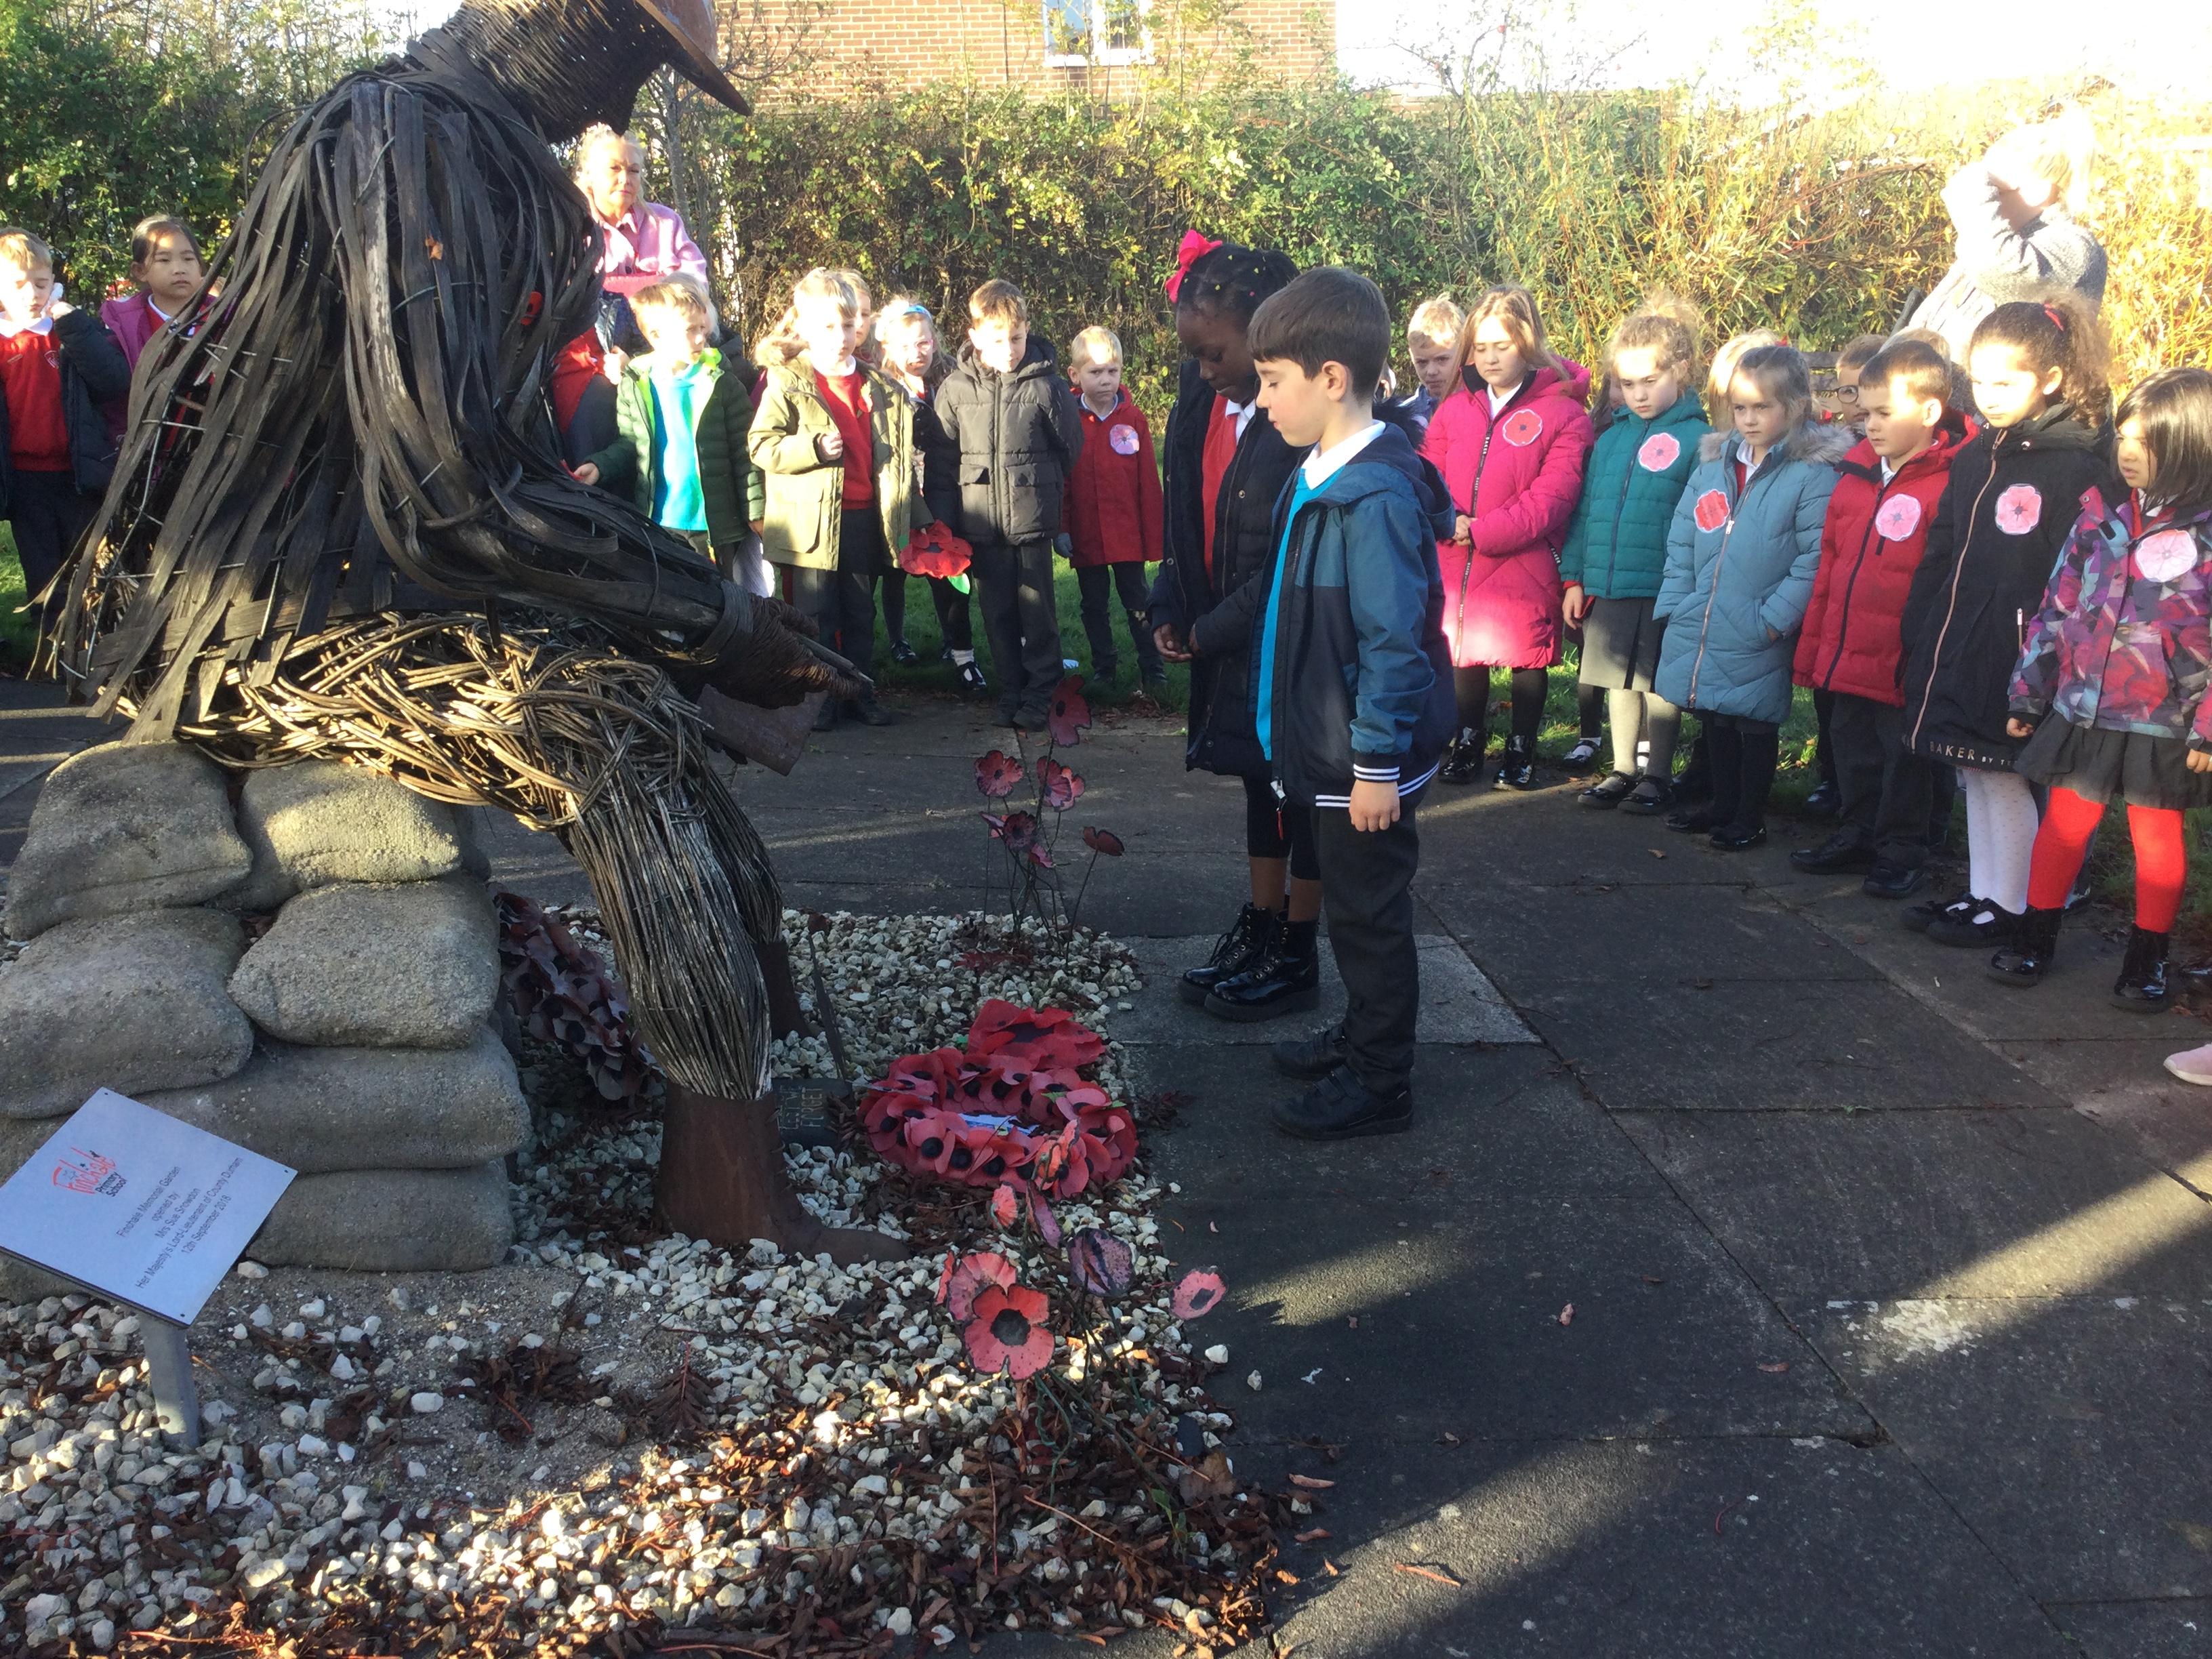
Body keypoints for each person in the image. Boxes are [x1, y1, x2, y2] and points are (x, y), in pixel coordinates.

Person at [1210, 266, 1456, 1137]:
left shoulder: (1373, 497)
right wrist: (1207, 631)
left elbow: (1395, 643)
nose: (1261, 399)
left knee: (1368, 918)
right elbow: (1281, 593)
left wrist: (1376, 765)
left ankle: (1382, 1081)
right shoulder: (1315, 472)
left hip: (1364, 758)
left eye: (1272, 381)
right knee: (1353, 913)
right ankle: (1360, 1037)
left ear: (1331, 378)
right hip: (1326, 748)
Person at [1990, 368, 2212, 1021]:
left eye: (2148, 441)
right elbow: (2058, 605)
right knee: (2065, 824)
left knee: (2157, 837)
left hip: (2166, 715)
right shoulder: (2101, 512)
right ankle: (2034, 935)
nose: (2128, 452)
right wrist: (2029, 692)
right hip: (2084, 704)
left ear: (2192, 443)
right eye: (2124, 436)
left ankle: (2147, 959)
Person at [1897, 296, 2114, 945]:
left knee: (2005, 771)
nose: (1988, 397)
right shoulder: (1975, 456)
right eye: (1979, 382)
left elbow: (2083, 577)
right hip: (1960, 637)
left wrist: (2047, 664)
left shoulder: (2077, 465)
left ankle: (2015, 904)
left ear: (2050, 379)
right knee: (1975, 770)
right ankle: (1984, 892)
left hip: (2021, 651)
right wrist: (1921, 626)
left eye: (2005, 384)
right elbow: (1943, 548)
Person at [1145, 237, 1311, 1020]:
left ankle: (1298, 946)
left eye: (1214, 355)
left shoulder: (1296, 417)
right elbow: (1184, 510)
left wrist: (1213, 629)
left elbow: (1284, 562)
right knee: (1256, 779)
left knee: (1296, 788)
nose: (1204, 370)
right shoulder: (1201, 396)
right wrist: (1170, 602)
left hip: (1276, 639)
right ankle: (1263, 919)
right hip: (1220, 623)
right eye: (1195, 357)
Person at [1789, 339, 1969, 895]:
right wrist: (1816, 646)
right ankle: (1857, 832)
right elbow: (1830, 565)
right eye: (1865, 412)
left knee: (1907, 759)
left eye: (1885, 413)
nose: (1870, 425)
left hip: (1904, 656)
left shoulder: (1953, 482)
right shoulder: (1855, 474)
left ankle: (1902, 849)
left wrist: (1929, 656)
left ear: (1931, 411)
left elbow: (1950, 580)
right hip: (1849, 650)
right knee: (1854, 749)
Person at [1656, 344, 1847, 849]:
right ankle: (1721, 804)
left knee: (1754, 718)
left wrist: (1774, 618)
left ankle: (1749, 816)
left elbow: (1815, 557)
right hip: (1706, 612)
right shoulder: (1715, 465)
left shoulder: (1811, 475)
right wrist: (1678, 600)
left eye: (1762, 407)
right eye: (1740, 407)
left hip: (1761, 621)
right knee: (1715, 714)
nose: (1749, 419)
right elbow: (1682, 536)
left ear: (1796, 406)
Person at [1423, 285, 1594, 789]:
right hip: (1458, 553)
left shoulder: (1564, 413)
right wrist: (1447, 518)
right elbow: (1429, 472)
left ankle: (1522, 748)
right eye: (1480, 347)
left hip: (1525, 555)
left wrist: (1483, 530)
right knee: (1464, 650)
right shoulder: (1454, 408)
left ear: (1528, 342)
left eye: (1502, 346)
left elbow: (1553, 495)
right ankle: (1468, 741)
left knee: (1527, 654)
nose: (1490, 358)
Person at [750, 266, 931, 729]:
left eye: (848, 326)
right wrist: (811, 448)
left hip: (865, 517)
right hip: (810, 524)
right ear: (805, 329)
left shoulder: (880, 386)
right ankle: (819, 700)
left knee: (859, 611)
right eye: (828, 327)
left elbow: (897, 461)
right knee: (815, 615)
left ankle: (860, 694)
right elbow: (761, 446)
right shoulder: (787, 381)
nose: (841, 337)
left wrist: (919, 516)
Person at [1563, 298, 1710, 815]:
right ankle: (1623, 767)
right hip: (1609, 582)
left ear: (1681, 371)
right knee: (1616, 678)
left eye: (1650, 380)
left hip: (1663, 583)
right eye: (1628, 383)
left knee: (1658, 683)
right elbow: (1586, 510)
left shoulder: (1699, 439)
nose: (1639, 393)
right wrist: (1574, 577)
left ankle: (1657, 774)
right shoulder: (1611, 439)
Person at [933, 279, 1084, 731]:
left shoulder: (1047, 386)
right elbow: (942, 460)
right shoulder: (955, 389)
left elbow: (1071, 447)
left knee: (1037, 613)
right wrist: (944, 523)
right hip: (980, 523)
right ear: (975, 336)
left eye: (1016, 338)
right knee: (997, 613)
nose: (1009, 349)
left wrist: (1040, 489)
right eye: (998, 340)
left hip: (1031, 521)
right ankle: (1012, 689)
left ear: (1027, 331)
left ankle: (1043, 692)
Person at [594, 274, 760, 595]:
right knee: (671, 598)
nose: (700, 339)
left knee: (719, 599)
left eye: (703, 330)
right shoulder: (636, 383)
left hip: (711, 525)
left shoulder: (723, 383)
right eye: (690, 330)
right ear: (656, 335)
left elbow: (745, 453)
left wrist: (756, 511)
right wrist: (600, 466)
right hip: (660, 520)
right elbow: (630, 444)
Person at [0, 228, 129, 626]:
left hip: (78, 471)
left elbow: (114, 381)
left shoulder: (70, 330)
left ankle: (94, 637)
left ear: (54, 284)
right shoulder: (3, 342)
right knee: (42, 568)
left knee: (88, 564)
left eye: (41, 284)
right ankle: (52, 644)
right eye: (18, 285)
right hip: (23, 478)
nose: (32, 294)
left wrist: (72, 325)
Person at [1909, 108, 2106, 362]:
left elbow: (1996, 266)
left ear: (2038, 191)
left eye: (1993, 188)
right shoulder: (1994, 247)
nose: (1984, 197)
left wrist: (1972, 181)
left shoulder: (2076, 249)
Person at [876, 298, 983, 692]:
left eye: (922, 343)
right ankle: (897, 640)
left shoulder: (951, 379)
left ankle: (956, 646)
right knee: (894, 569)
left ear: (934, 341)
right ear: (889, 348)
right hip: (899, 491)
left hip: (943, 487)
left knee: (947, 567)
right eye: (905, 346)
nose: (916, 353)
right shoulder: (883, 387)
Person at [1063, 325, 1166, 689]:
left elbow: (1148, 481)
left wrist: (1154, 534)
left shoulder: (1134, 419)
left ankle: (1153, 666)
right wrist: (1061, 528)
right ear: (1075, 375)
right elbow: (1062, 480)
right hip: (1086, 531)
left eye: (1112, 371)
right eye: (1095, 372)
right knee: (1093, 604)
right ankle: (1104, 668)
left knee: (1138, 600)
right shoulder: (1067, 421)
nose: (1106, 380)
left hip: (1126, 532)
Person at [572, 123, 709, 358]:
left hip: (671, 353)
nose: (625, 179)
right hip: (594, 357)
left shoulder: (665, 222)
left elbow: (697, 289)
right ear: (589, 176)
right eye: (614, 168)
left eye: (634, 171)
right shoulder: (570, 228)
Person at [99, 216, 205, 376]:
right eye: (164, 260)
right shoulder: (127, 330)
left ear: (200, 266)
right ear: (140, 271)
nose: (179, 269)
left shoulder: (227, 316)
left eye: (188, 259)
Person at [1397, 293, 1463, 430]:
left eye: (1442, 359)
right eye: (1422, 362)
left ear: (1464, 352)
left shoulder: (1486, 409)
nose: (1431, 371)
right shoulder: (1402, 418)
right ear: (1412, 356)